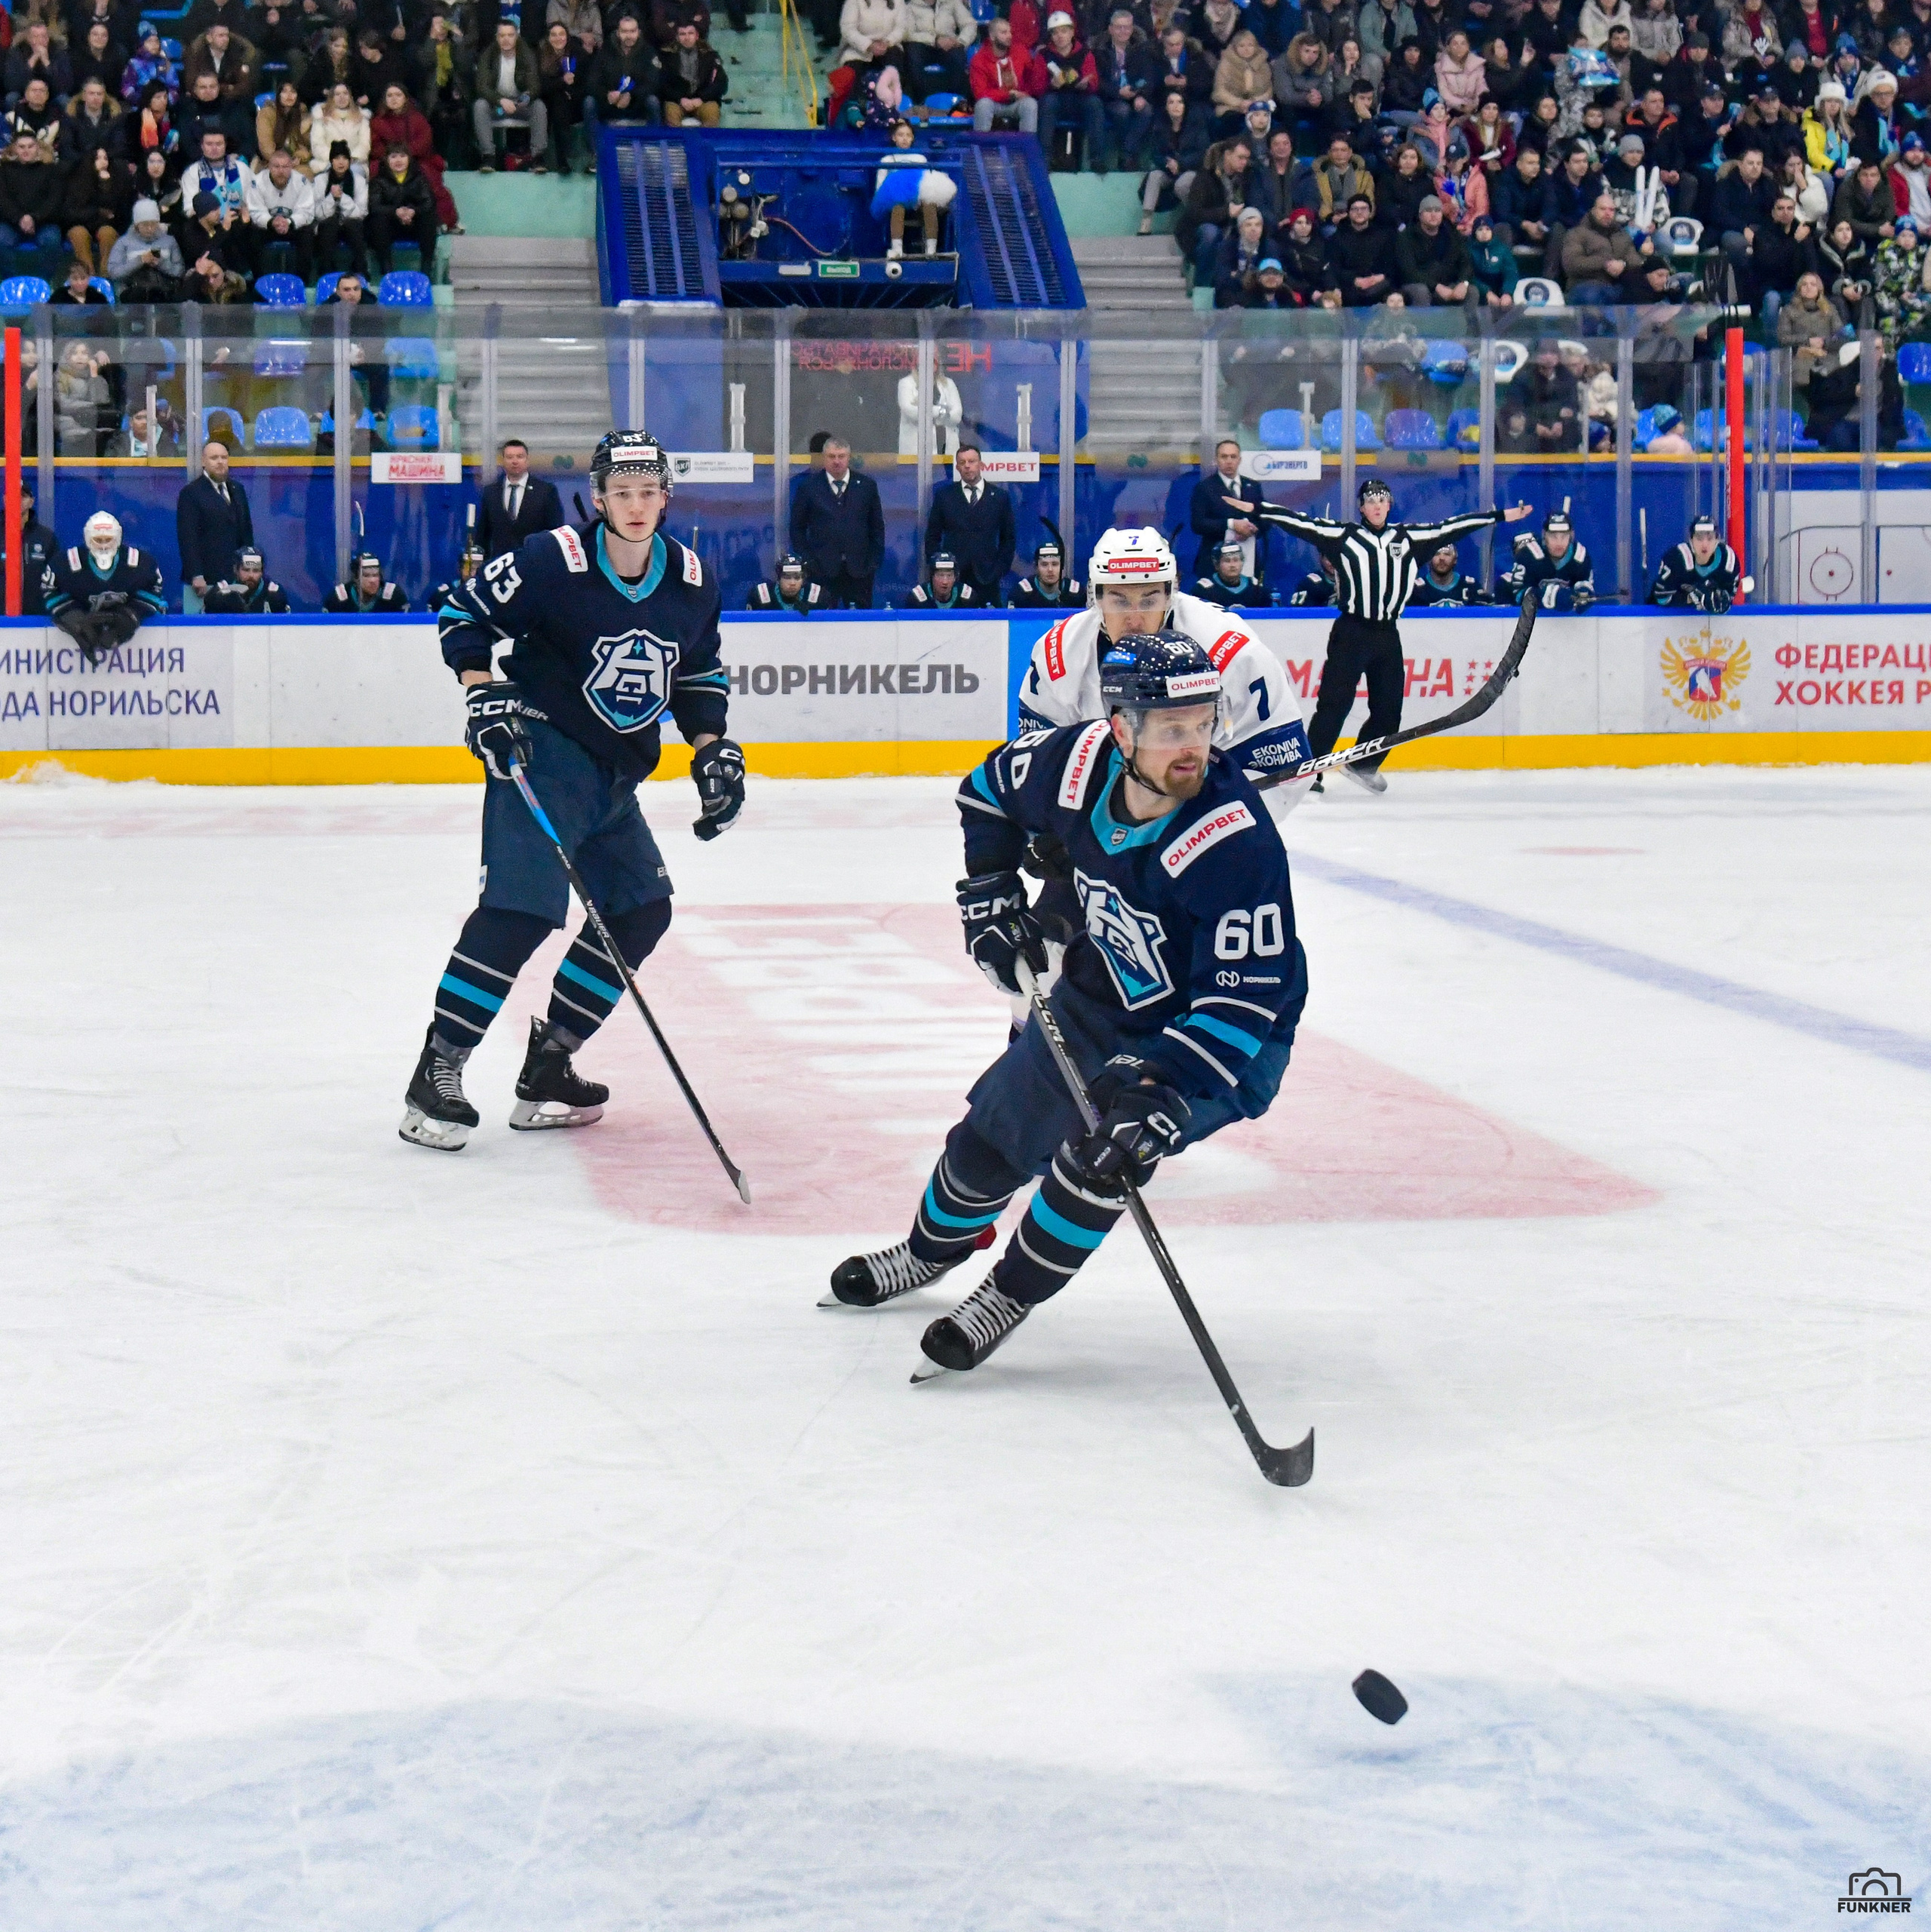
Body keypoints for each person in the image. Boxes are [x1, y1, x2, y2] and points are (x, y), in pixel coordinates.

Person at [821, 631, 1310, 1387]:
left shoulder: (1234, 843)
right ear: (1121, 727)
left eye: (1205, 722)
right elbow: (985, 789)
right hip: (1097, 996)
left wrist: (1156, 1089)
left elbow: (1243, 1000)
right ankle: (928, 1249)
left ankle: (1004, 1297)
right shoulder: (1074, 761)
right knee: (989, 1141)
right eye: (1173, 727)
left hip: (1217, 1043)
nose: (1197, 746)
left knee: (1102, 1157)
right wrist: (991, 891)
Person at [401, 432, 742, 1152]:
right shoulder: (551, 560)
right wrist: (482, 691)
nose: (638, 505)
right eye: (623, 493)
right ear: (598, 498)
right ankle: (440, 1067)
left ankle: (550, 1062)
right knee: (522, 912)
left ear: (666, 497)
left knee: (641, 908)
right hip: (541, 755)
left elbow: (699, 674)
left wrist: (712, 752)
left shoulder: (690, 580)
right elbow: (463, 616)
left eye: (649, 492)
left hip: (617, 775)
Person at [1016, 527, 1312, 847]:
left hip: (1204, 843)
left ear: (1170, 595)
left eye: (1149, 599)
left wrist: (1210, 827)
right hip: (1096, 836)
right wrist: (1060, 832)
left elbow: (1282, 769)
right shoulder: (1059, 655)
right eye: (1119, 600)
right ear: (1096, 597)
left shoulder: (1231, 651)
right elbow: (1042, 768)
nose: (1134, 618)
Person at [1256, 478, 1530, 793]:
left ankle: (1363, 764)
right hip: (1351, 631)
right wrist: (1259, 509)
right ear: (1361, 508)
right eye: (1370, 501)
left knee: (1389, 712)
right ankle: (1308, 775)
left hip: (1387, 635)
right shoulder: (1344, 536)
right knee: (1334, 707)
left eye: (1382, 500)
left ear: (1389, 505)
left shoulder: (1409, 538)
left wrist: (1498, 517)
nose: (1376, 506)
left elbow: (1454, 527)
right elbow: (1298, 524)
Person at [44, 511, 167, 663]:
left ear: (118, 539)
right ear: (88, 540)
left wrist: (132, 615)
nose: (103, 545)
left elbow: (155, 587)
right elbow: (49, 588)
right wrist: (75, 618)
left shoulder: (141, 563)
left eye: (108, 539)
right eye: (98, 540)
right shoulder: (65, 564)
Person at [790, 435, 885, 608]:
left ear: (849, 457)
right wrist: (809, 562)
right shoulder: (809, 487)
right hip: (821, 571)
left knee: (860, 624)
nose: (837, 461)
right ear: (824, 458)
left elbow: (877, 528)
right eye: (832, 456)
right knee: (821, 624)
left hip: (859, 571)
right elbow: (797, 528)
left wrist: (872, 563)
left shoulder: (866, 486)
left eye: (841, 456)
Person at [923, 444, 1015, 606]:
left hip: (988, 577)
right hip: (954, 581)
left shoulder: (1000, 497)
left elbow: (1008, 538)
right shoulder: (944, 496)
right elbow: (932, 536)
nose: (967, 466)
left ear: (981, 464)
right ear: (957, 467)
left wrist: (999, 570)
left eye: (972, 461)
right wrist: (941, 569)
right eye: (962, 462)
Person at [176, 438, 253, 613]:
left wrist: (248, 568)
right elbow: (188, 538)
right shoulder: (191, 493)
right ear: (203, 461)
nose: (220, 462)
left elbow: (246, 532)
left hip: (235, 579)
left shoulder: (237, 489)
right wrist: (196, 574)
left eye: (224, 458)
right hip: (206, 579)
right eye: (214, 458)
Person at [1187, 436, 1268, 582]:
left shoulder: (1253, 487)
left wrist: (1252, 530)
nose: (1229, 461)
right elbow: (1198, 524)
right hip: (1213, 563)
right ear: (1216, 460)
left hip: (1249, 559)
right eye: (1224, 457)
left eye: (1233, 456)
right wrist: (1232, 525)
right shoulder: (1204, 488)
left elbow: (1266, 520)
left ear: (1240, 460)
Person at [473, 21, 549, 169]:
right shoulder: (488, 55)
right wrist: (500, 100)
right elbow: (481, 87)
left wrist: (525, 99)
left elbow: (534, 86)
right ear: (497, 37)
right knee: (480, 106)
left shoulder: (527, 54)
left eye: (510, 35)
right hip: (498, 108)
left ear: (517, 37)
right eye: (502, 35)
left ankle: (537, 158)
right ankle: (489, 157)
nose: (506, 39)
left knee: (539, 106)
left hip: (520, 107)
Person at [477, 440, 563, 562]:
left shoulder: (546, 491)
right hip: (500, 566)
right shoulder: (491, 492)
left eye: (520, 457)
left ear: (527, 460)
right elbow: (483, 534)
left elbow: (555, 532)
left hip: (534, 564)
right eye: (509, 457)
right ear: (502, 461)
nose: (515, 461)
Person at [1500, 505, 1596, 607]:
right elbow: (1519, 594)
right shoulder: (1528, 555)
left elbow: (1585, 586)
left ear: (1571, 536)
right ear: (1544, 535)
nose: (1559, 543)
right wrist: (1546, 596)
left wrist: (1583, 597)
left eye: (1564, 536)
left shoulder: (1580, 557)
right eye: (1553, 536)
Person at [245, 146, 315, 279]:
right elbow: (255, 211)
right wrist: (272, 222)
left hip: (292, 227)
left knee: (307, 233)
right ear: (269, 167)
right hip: (268, 227)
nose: (281, 171)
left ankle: (303, 282)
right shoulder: (257, 182)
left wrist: (288, 222)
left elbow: (306, 212)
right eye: (276, 167)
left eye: (285, 167)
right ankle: (258, 281)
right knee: (252, 232)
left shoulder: (302, 182)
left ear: (291, 167)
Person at [368, 142, 437, 275]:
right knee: (378, 220)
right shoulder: (378, 181)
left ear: (409, 159)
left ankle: (426, 269)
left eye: (402, 156)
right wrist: (396, 212)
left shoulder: (420, 178)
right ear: (386, 160)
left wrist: (413, 211)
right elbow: (374, 206)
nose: (398, 160)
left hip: (414, 225)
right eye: (393, 157)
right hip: (391, 226)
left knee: (429, 218)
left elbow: (429, 203)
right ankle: (386, 269)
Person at [1648, 512, 1745, 607]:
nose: (1705, 544)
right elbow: (1661, 598)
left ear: (1717, 540)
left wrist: (1721, 601)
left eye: (1710, 538)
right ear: (1691, 540)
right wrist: (1690, 598)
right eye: (1699, 538)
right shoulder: (1676, 559)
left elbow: (1730, 597)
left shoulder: (1728, 562)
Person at [969, 17, 1042, 134]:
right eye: (1004, 33)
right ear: (992, 37)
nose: (1009, 36)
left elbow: (1032, 77)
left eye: (1010, 32)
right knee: (983, 104)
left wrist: (1026, 93)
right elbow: (980, 92)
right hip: (994, 103)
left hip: (1017, 102)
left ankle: (1026, 148)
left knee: (1030, 104)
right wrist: (1009, 95)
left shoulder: (1020, 51)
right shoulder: (979, 60)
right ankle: (980, 148)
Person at [5, 480, 60, 617]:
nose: (17, 500)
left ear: (31, 501)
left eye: (22, 496)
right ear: (5, 499)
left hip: (37, 620)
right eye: (12, 495)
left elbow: (57, 578)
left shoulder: (46, 537)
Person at [658, 20, 727, 127]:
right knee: (671, 114)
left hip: (703, 100)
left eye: (690, 33)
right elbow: (661, 83)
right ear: (677, 37)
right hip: (676, 101)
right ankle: (676, 144)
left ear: (697, 36)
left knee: (712, 112)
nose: (687, 37)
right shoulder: (667, 56)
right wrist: (680, 99)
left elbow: (721, 83)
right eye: (682, 34)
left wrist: (701, 99)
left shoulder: (710, 56)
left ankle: (706, 144)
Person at [105, 193, 181, 288]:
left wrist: (161, 262)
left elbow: (179, 271)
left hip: (164, 291)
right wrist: (140, 260)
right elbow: (113, 272)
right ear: (137, 225)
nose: (149, 228)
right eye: (145, 225)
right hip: (132, 292)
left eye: (153, 224)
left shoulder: (169, 241)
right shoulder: (123, 243)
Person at [203, 545, 294, 612]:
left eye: (256, 571)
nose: (251, 575)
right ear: (236, 569)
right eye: (246, 570)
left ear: (262, 572)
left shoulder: (274, 593)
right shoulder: (221, 592)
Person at [1193, 534, 1270, 607]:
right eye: (1227, 561)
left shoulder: (1256, 589)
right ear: (1216, 564)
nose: (1232, 565)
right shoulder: (1204, 590)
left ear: (1242, 562)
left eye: (1236, 560)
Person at [323, 551, 412, 612]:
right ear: (355, 578)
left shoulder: (395, 596)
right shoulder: (338, 599)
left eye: (376, 575)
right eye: (366, 575)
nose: (373, 580)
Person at [1408, 538, 1492, 601]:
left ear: (1455, 559)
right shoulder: (1416, 590)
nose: (1442, 558)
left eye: (1447, 554)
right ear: (1429, 559)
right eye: (1437, 554)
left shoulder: (1471, 587)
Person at [1009, 536, 1082, 607]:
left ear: (1062, 566)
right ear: (1037, 567)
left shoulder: (1077, 594)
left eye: (1055, 564)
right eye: (1044, 565)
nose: (1050, 569)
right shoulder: (1021, 593)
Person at [748, 553, 824, 612]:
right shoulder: (760, 596)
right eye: (787, 577)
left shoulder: (818, 596)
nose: (792, 583)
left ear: (803, 579)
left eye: (797, 578)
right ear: (778, 578)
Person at [906, 550, 979, 607]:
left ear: (955, 577)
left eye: (949, 576)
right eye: (940, 575)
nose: (945, 582)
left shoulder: (968, 598)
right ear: (932, 577)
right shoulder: (917, 599)